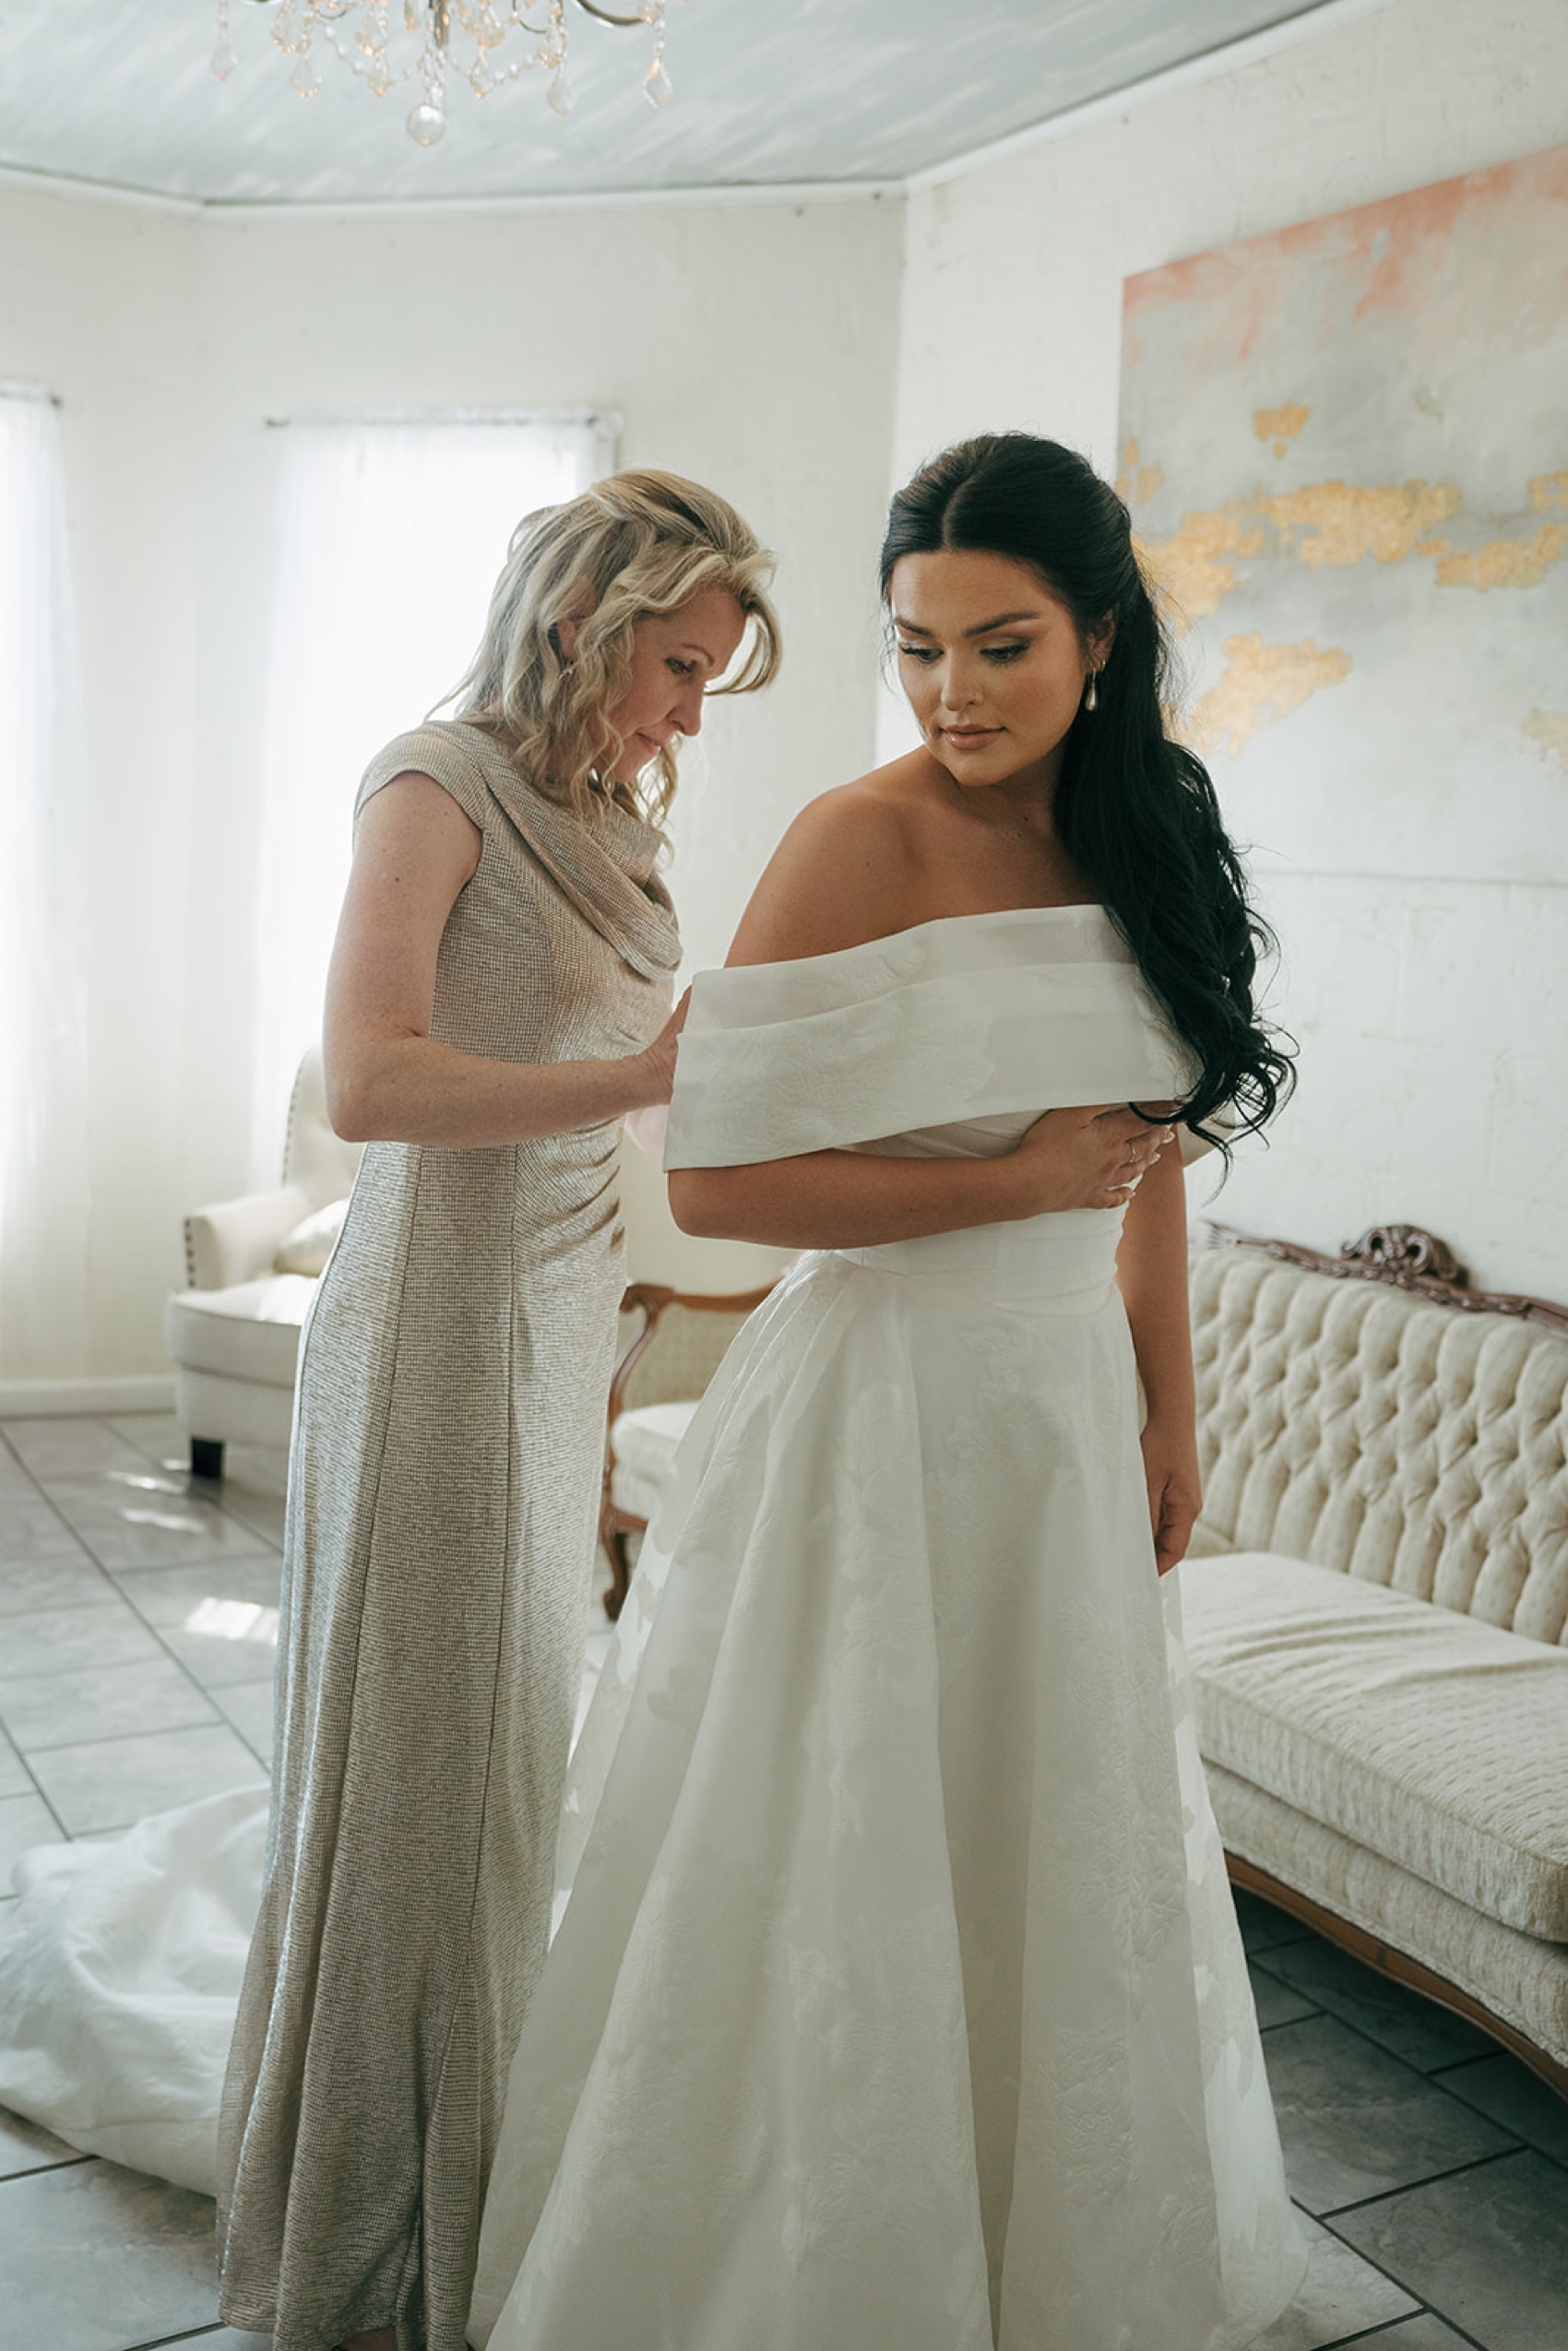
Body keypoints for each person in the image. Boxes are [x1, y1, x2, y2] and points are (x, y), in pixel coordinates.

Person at [468, 433, 1306, 2351]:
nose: (953, 694)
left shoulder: (1146, 830)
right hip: (876, 1407)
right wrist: (1004, 1184)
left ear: (1099, 636)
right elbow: (718, 1186)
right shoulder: (855, 838)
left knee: (1049, 1827)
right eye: (917, 647)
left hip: (1061, 1421)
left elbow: (1147, 1153)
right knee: (847, 1831)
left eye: (1000, 646)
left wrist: (1172, 1413)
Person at [0, 470, 780, 2351]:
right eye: (677, 668)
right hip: (433, 1317)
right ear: (588, 616)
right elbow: (371, 1083)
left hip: (557, 1304)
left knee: (517, 1733)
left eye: (712, 684)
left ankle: (483, 2112)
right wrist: (642, 1077)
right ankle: (380, 2185)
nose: (688, 717)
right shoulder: (433, 782)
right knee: (429, 1761)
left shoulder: (613, 809)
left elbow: (623, 1083)